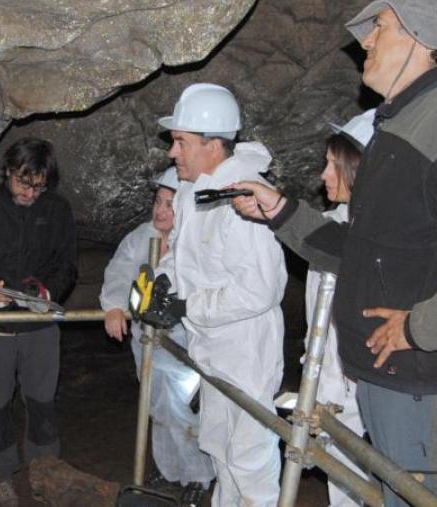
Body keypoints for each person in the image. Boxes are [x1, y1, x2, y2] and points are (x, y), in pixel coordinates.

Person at [231, 2, 437, 505]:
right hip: (394, 382)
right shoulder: (404, 124)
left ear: (421, 36)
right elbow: (367, 252)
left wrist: (420, 326)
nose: (365, 41)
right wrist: (282, 212)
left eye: (379, 26)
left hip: (423, 388)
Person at [145, 83, 288, 506]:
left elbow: (260, 289)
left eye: (181, 142)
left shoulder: (243, 199)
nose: (172, 152)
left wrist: (187, 306)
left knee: (248, 460)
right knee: (220, 451)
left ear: (212, 145)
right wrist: (164, 283)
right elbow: (182, 256)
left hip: (244, 351)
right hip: (210, 347)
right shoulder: (194, 192)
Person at [0, 137, 77, 507]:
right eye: (24, 183)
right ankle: (1, 475)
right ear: (7, 170)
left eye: (39, 186)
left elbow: (67, 263)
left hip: (40, 326)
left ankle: (45, 471)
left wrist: (49, 292)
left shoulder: (57, 209)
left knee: (42, 403)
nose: (30, 193)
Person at [99, 167, 215, 505]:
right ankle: (170, 470)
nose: (160, 210)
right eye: (158, 202)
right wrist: (114, 305)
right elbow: (120, 271)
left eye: (169, 205)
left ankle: (199, 474)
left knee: (178, 407)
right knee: (157, 406)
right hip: (146, 336)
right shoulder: (141, 236)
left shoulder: (196, 241)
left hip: (183, 338)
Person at [305, 108, 375, 507]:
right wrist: (316, 377)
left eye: (333, 165)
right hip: (334, 382)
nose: (323, 175)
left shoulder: (384, 237)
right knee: (343, 481)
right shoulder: (328, 226)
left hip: (369, 387)